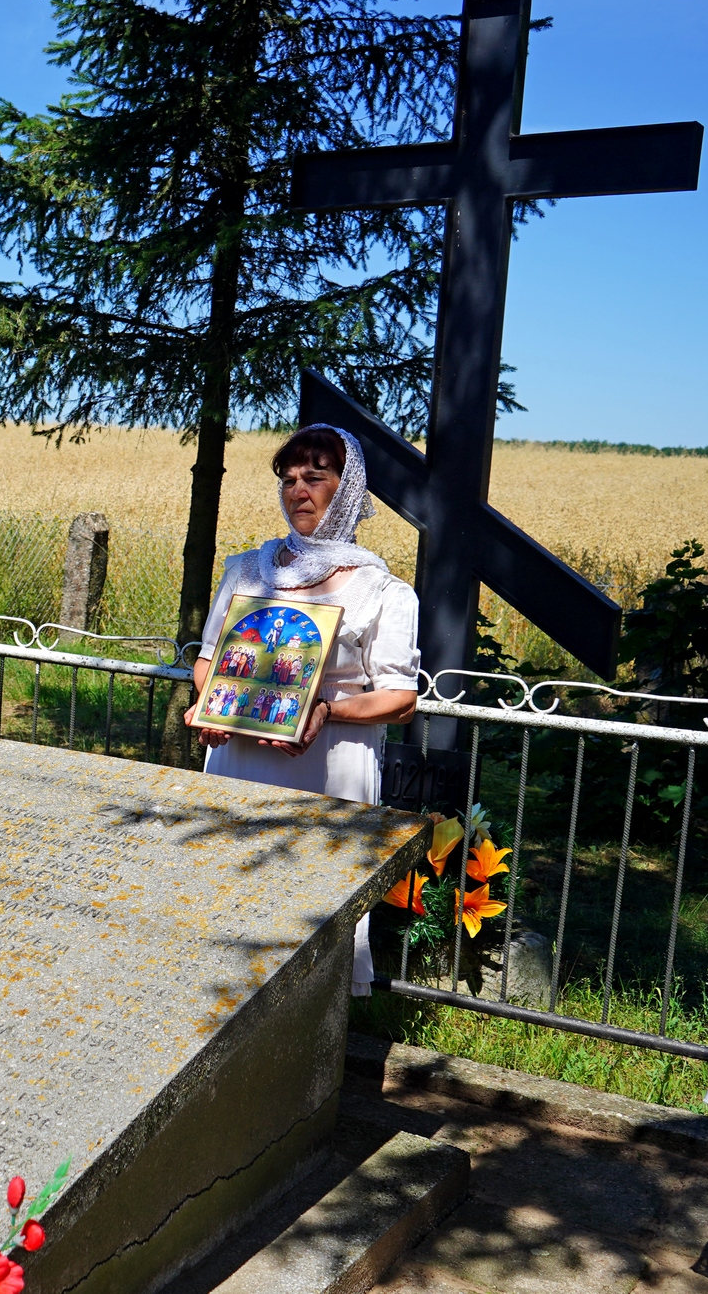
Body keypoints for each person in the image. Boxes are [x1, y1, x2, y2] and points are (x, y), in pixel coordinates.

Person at [183, 423, 420, 995]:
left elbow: (401, 698)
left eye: (315, 477)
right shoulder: (247, 570)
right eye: (288, 479)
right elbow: (210, 658)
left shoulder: (382, 591)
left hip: (327, 763)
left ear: (347, 490)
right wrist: (211, 703)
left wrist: (326, 711)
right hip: (241, 757)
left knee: (313, 897)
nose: (298, 491)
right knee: (227, 887)